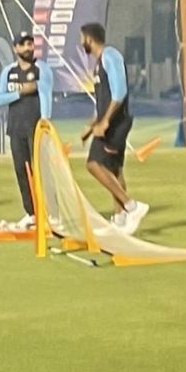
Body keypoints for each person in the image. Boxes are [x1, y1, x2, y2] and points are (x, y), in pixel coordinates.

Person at [80, 22, 148, 231]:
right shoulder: (99, 63)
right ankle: (120, 219)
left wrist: (106, 121)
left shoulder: (111, 56)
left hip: (115, 123)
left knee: (93, 164)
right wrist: (92, 124)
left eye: (81, 38)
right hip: (107, 123)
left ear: (89, 39)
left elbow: (119, 92)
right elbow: (103, 98)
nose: (81, 42)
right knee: (113, 169)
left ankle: (131, 206)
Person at [0, 31, 54, 229]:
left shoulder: (41, 69)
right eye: (23, 44)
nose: (27, 47)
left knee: (40, 171)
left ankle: (49, 212)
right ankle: (31, 213)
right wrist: (21, 92)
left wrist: (45, 122)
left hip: (35, 127)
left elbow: (45, 95)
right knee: (22, 171)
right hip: (16, 127)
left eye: (30, 43)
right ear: (15, 49)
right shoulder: (8, 72)